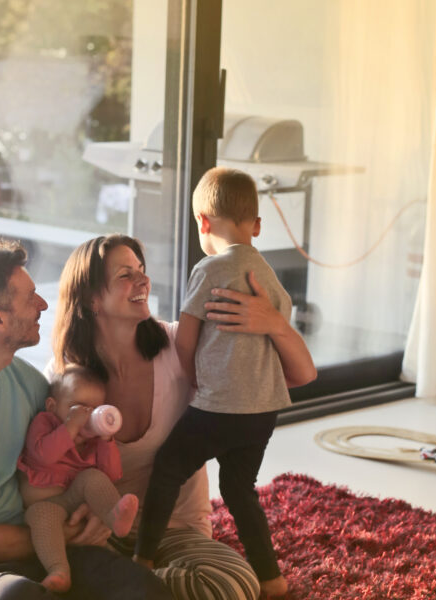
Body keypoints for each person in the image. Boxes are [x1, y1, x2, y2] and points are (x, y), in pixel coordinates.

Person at [0, 237, 173, 600]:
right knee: (21, 597)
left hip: (37, 541)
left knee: (144, 590)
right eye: (29, 298)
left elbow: (65, 463)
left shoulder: (28, 383)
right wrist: (62, 535)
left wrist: (87, 516)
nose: (43, 304)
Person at [50, 231, 316, 600]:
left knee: (233, 585)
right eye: (125, 274)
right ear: (92, 298)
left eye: (142, 270)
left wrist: (275, 323)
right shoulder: (67, 380)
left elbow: (300, 374)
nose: (142, 280)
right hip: (102, 535)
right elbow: (53, 470)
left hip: (178, 532)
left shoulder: (182, 347)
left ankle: (130, 589)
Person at [132, 167, 317, 598]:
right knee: (239, 488)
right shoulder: (270, 278)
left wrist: (195, 381)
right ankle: (272, 579)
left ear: (203, 222)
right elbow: (280, 325)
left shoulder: (210, 269)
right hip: (263, 411)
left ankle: (142, 557)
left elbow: (188, 337)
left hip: (218, 408)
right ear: (256, 225)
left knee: (168, 471)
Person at [18, 365, 139, 593]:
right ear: (52, 406)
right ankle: (58, 571)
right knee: (41, 518)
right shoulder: (45, 422)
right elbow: (44, 456)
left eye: (95, 410)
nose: (87, 416)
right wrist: (69, 426)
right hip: (45, 503)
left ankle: (116, 518)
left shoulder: (93, 441)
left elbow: (111, 474)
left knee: (93, 477)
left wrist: (106, 439)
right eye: (79, 407)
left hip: (74, 499)